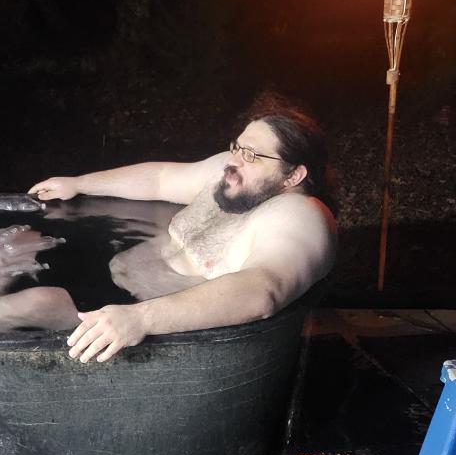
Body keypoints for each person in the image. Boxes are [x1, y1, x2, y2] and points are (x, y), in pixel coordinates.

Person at [28, 105, 337, 364]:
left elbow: (263, 290)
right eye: (238, 147)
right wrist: (80, 184)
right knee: (25, 293)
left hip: (169, 339)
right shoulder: (230, 178)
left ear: (294, 175)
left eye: (253, 156)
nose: (234, 161)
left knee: (32, 305)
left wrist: (140, 319)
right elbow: (160, 180)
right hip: (119, 298)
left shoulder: (301, 217)